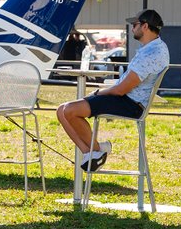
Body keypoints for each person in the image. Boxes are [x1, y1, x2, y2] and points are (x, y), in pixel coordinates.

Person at [56, 9, 170, 171]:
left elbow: (121, 90)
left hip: (130, 104)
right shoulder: (154, 47)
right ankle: (93, 153)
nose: (132, 28)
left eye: (134, 25)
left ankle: (96, 152)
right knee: (61, 110)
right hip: (125, 99)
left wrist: (98, 92)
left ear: (145, 26)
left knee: (69, 111)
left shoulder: (152, 53)